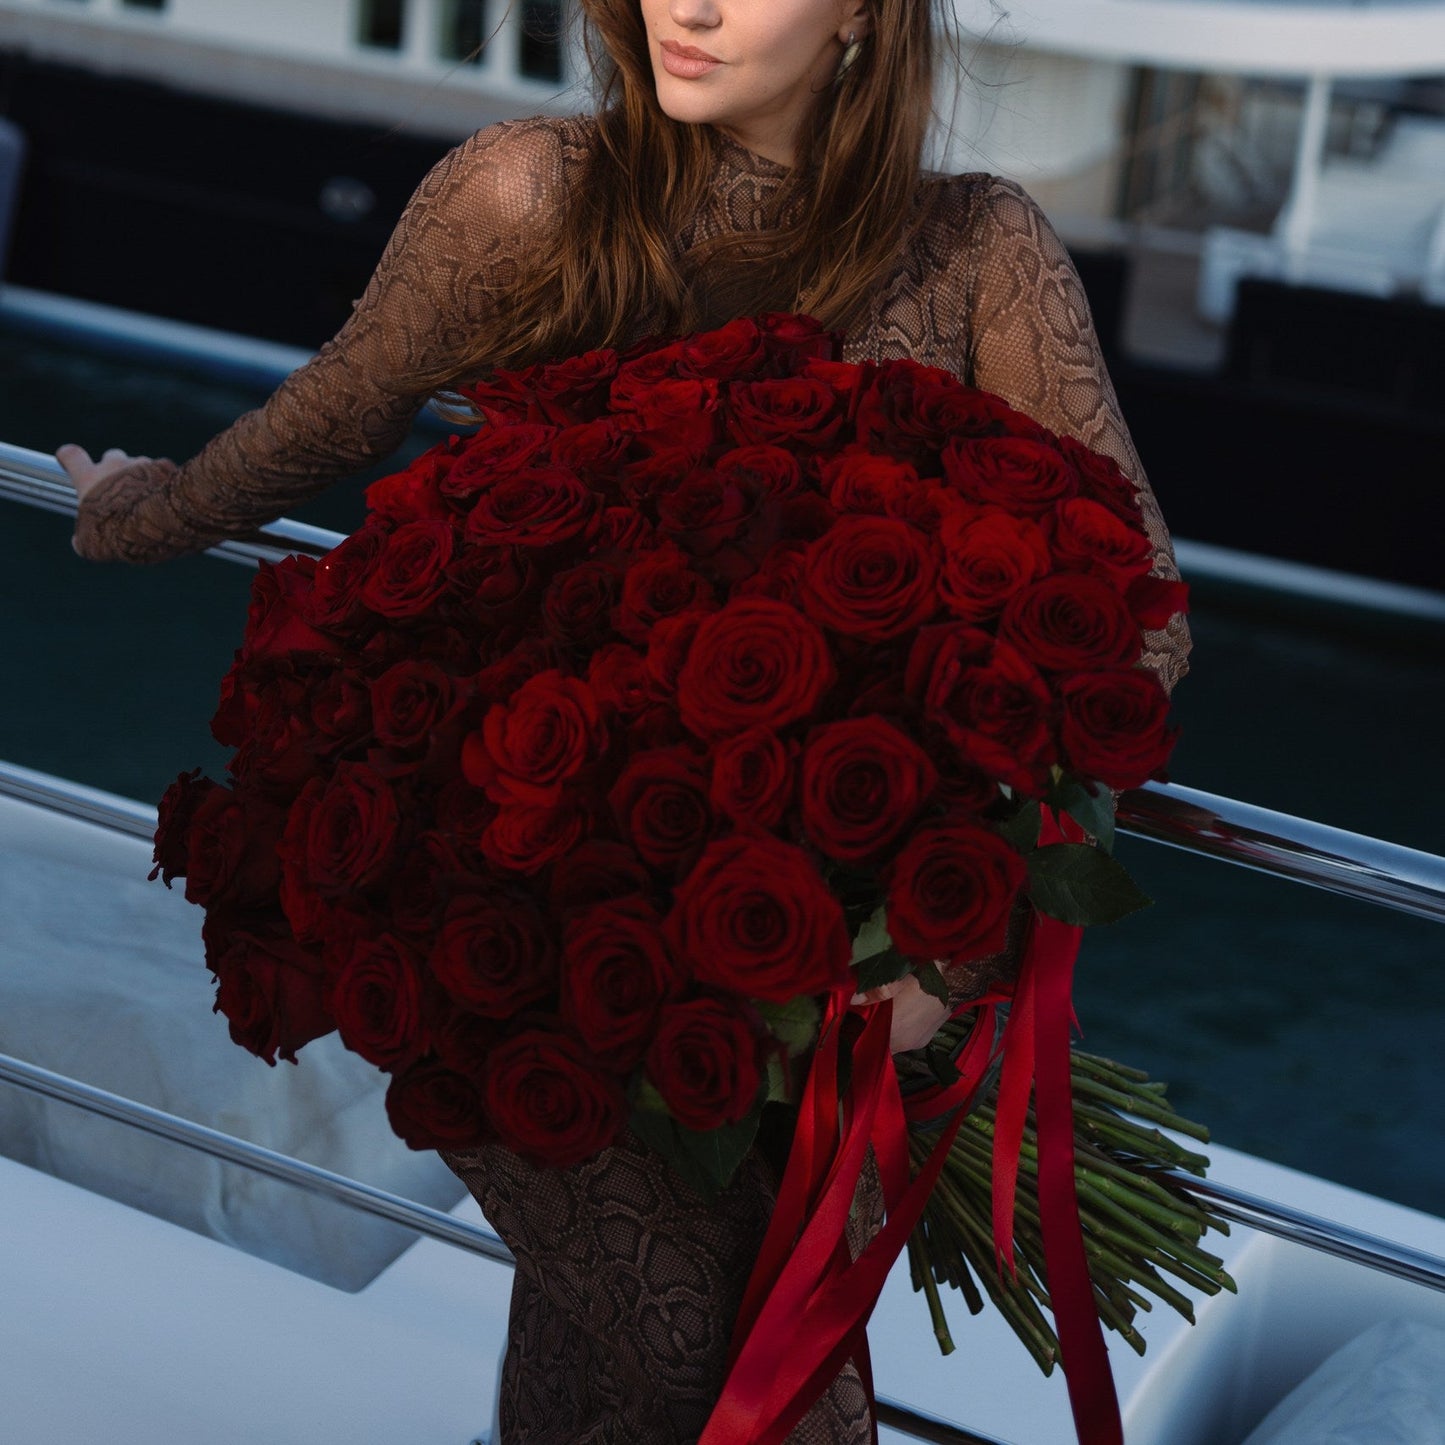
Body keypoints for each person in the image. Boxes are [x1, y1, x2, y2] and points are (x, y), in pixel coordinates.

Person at [60, 0, 1192, 1438]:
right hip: (510, 941)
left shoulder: (978, 243)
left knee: (603, 1387)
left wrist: (947, 944)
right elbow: (332, 421)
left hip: (811, 972)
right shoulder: (526, 194)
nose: (692, 2)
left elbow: (1139, 611)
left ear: (861, 11)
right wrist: (128, 513)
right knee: (748, 1390)